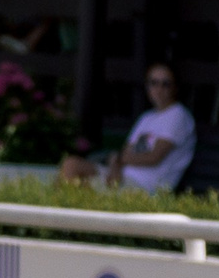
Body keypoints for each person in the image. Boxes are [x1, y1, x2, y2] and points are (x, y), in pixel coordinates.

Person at [60, 63, 195, 191]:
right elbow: (127, 150)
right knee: (71, 164)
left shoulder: (178, 115)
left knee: (79, 186)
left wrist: (118, 159)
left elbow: (154, 157)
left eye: (165, 84)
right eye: (153, 83)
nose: (158, 89)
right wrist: (116, 166)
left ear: (175, 87)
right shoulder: (147, 117)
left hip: (144, 186)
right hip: (123, 177)